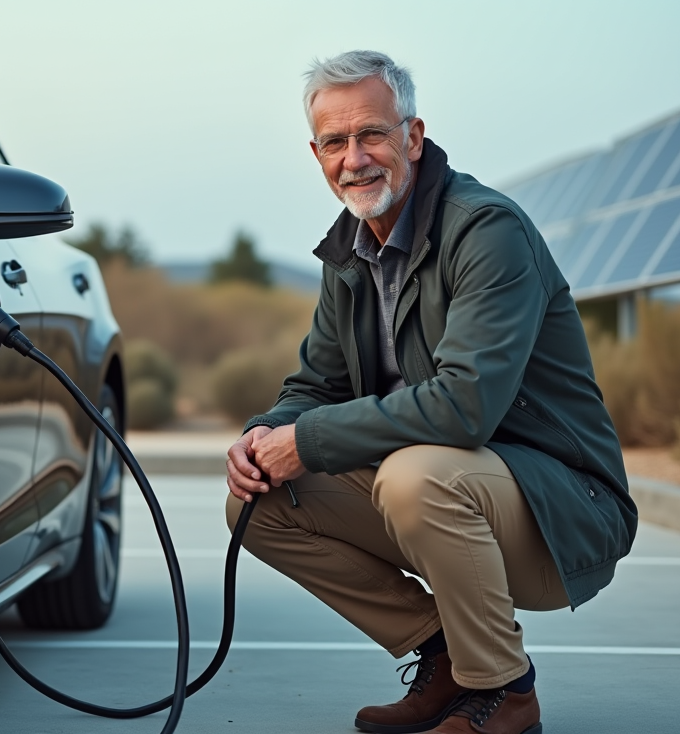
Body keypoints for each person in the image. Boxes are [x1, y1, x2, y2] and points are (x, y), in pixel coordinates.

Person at [224, 50, 636, 734]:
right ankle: (447, 659)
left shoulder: (486, 232)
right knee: (258, 503)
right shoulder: (348, 252)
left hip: (563, 510)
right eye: (335, 142)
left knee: (416, 476)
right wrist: (265, 435)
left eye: (372, 134)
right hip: (450, 495)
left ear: (412, 137)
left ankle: (506, 693)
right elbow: (315, 384)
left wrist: (312, 441)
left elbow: (463, 406)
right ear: (316, 153)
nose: (354, 158)